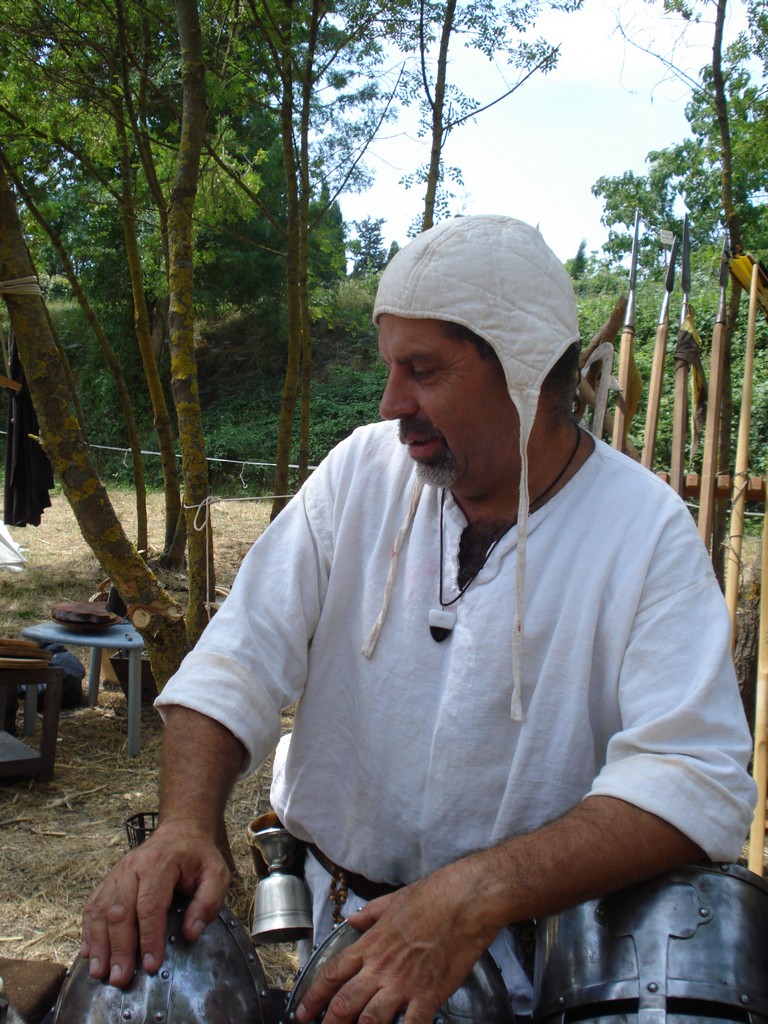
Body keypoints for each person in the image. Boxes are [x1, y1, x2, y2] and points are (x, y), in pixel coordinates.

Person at [81, 215, 756, 1023]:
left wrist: (475, 894)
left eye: (424, 370)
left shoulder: (643, 530)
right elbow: (238, 658)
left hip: (539, 967)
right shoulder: (362, 473)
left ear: (524, 370)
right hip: (344, 942)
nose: (392, 402)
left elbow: (691, 775)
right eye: (390, 367)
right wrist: (185, 823)